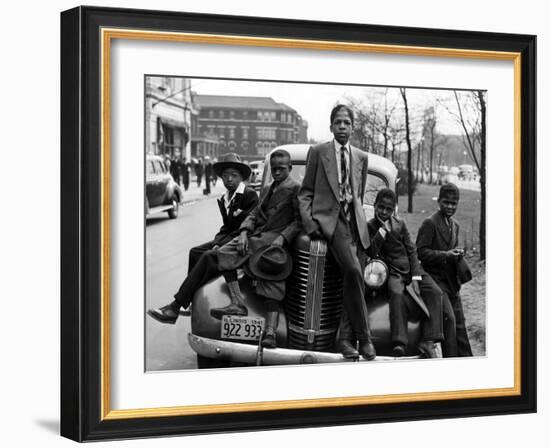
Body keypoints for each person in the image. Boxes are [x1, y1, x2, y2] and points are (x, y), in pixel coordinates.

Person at [148, 149, 301, 349]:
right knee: (214, 255)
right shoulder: (270, 188)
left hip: (271, 244)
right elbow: (255, 214)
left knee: (214, 257)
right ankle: (184, 306)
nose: (277, 172)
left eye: (281, 169)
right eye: (274, 169)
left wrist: (282, 238)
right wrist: (245, 231)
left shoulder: (296, 189)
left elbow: (299, 221)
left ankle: (176, 307)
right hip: (254, 239)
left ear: (290, 168)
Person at [297, 104, 376, 361]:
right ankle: (363, 339)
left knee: (352, 278)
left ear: (353, 127)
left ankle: (344, 339)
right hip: (332, 222)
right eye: (338, 122)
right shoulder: (319, 152)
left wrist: (359, 222)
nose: (342, 126)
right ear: (331, 126)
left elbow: (358, 194)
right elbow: (305, 192)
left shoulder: (361, 157)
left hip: (355, 224)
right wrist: (311, 225)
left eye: (347, 122)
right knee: (354, 271)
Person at [363, 188, 449, 358]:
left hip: (411, 269)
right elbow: (371, 252)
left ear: (393, 209)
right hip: (393, 272)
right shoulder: (370, 226)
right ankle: (399, 342)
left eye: (388, 209)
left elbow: (411, 250)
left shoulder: (400, 224)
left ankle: (429, 339)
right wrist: (381, 231)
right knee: (396, 293)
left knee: (435, 292)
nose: (384, 212)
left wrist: (416, 276)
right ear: (374, 206)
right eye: (381, 207)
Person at [416, 183, 472, 357]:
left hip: (450, 281)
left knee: (460, 325)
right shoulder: (430, 223)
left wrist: (458, 254)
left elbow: (451, 251)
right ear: (439, 201)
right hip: (434, 280)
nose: (450, 207)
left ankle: (467, 362)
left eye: (454, 203)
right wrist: (446, 255)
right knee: (450, 320)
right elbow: (421, 252)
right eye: (446, 202)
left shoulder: (454, 225)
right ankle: (451, 361)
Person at [187, 153, 258, 272]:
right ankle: (193, 288)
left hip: (240, 241)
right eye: (225, 176)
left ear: (241, 177)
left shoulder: (249, 194)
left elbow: (246, 226)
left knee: (208, 256)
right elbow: (226, 226)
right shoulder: (224, 198)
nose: (229, 179)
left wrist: (219, 245)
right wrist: (216, 242)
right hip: (227, 239)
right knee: (194, 252)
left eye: (234, 175)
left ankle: (190, 289)